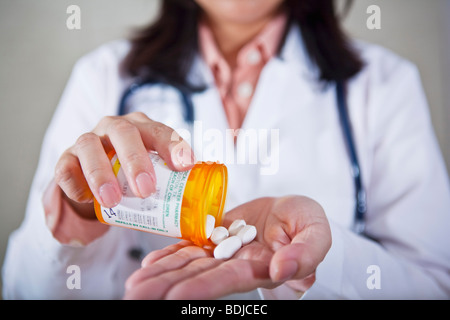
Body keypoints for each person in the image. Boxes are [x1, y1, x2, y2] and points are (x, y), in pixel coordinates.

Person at [3, 0, 450, 300]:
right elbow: (22, 290)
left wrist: (323, 264)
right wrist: (77, 214)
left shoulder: (384, 85)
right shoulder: (104, 76)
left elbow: (434, 286)